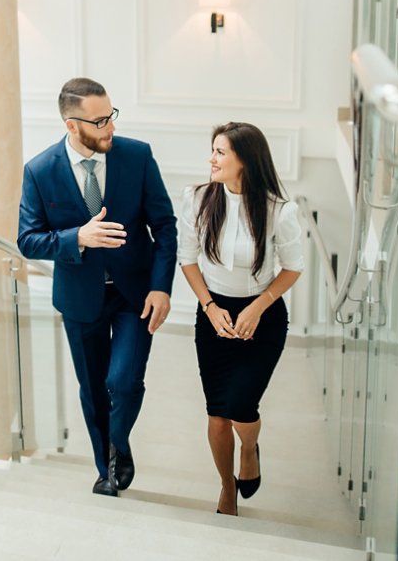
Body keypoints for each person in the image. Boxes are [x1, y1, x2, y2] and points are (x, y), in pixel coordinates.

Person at [17, 78, 177, 497]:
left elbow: (165, 226)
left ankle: (117, 445)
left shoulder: (137, 157)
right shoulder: (39, 171)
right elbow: (28, 239)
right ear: (72, 125)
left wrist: (162, 287)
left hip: (134, 294)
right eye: (100, 120)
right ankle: (106, 466)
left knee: (122, 382)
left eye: (112, 115)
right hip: (80, 299)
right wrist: (77, 239)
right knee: (93, 389)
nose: (110, 127)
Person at [177, 122, 303, 515]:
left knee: (242, 407)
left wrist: (256, 307)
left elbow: (293, 267)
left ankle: (249, 448)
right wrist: (211, 308)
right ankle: (226, 487)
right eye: (212, 150)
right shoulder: (197, 199)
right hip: (213, 315)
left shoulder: (279, 209)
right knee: (217, 416)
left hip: (261, 317)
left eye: (220, 152)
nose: (211, 160)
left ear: (244, 160)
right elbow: (188, 258)